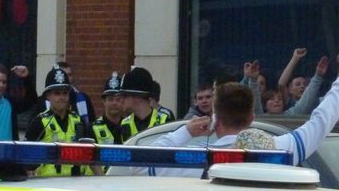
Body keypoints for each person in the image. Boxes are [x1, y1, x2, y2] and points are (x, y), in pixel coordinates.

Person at [128, 76, 339, 177]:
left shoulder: (191, 160)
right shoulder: (279, 151)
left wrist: (185, 132)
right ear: (252, 117)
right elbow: (322, 119)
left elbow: (138, 164)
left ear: (215, 119)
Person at [25, 65, 85, 176]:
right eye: (57, 93)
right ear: (48, 95)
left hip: (75, 183)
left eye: (65, 93)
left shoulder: (78, 120)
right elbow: (26, 158)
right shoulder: (39, 122)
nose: (62, 97)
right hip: (47, 185)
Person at [120, 66, 169, 141]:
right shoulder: (123, 125)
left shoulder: (166, 121)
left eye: (125, 96)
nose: (121, 100)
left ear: (138, 97)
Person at [91, 71, 125, 145]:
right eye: (110, 99)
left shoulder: (128, 126)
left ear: (123, 101)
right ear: (103, 101)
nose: (114, 103)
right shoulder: (92, 128)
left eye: (118, 99)